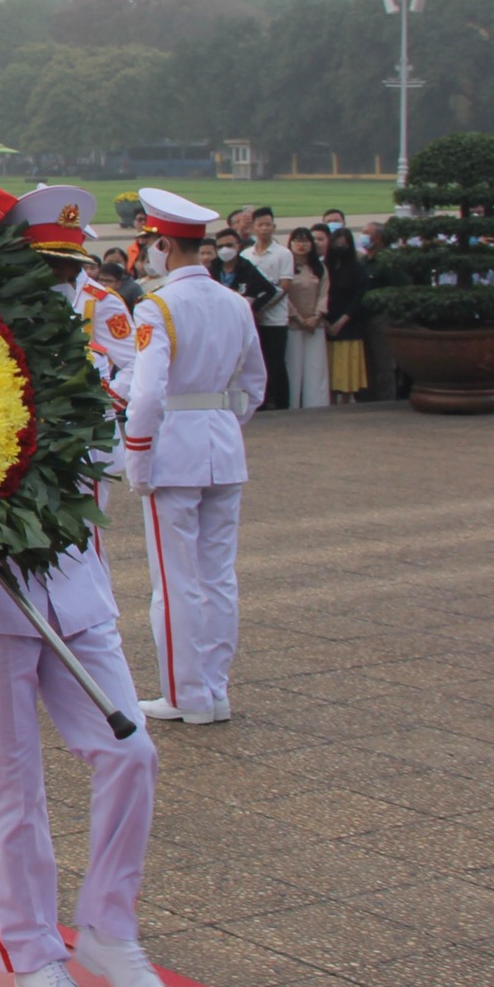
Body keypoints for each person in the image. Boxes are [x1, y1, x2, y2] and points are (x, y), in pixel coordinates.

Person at [0, 186, 180, 987]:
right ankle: (32, 952)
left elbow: (108, 455)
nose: (64, 283)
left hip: (74, 585)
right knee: (13, 784)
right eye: (47, 267)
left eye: (71, 268)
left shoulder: (87, 349)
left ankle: (110, 924)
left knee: (130, 751)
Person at [123, 189, 267, 725]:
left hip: (174, 451)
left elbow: (146, 396)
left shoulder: (157, 306)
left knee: (175, 580)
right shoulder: (236, 303)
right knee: (218, 576)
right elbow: (253, 386)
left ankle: (187, 695)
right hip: (222, 444)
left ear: (163, 245)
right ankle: (215, 689)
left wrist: (138, 461)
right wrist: (222, 423)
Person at [234, 207, 293, 410]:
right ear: (254, 228)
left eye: (268, 224)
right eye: (261, 224)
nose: (265, 228)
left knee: (276, 363)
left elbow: (284, 288)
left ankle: (282, 403)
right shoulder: (245, 254)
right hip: (252, 318)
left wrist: (261, 308)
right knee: (254, 363)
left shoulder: (283, 254)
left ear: (274, 227)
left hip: (275, 318)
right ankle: (259, 402)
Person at [281, 227, 329, 410]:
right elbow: (284, 294)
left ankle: (317, 406)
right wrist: (298, 318)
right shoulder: (287, 267)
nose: (301, 245)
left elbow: (324, 294)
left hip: (315, 324)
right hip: (294, 324)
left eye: (305, 241)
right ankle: (293, 406)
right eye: (297, 241)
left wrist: (316, 315)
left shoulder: (319, 268)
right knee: (293, 368)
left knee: (316, 368)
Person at [323, 225, 369, 402]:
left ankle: (345, 404)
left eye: (343, 244)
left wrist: (341, 321)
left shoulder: (358, 269)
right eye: (336, 244)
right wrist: (326, 321)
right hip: (327, 322)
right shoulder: (325, 268)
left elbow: (358, 299)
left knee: (346, 371)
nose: (339, 248)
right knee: (330, 370)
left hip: (349, 325)